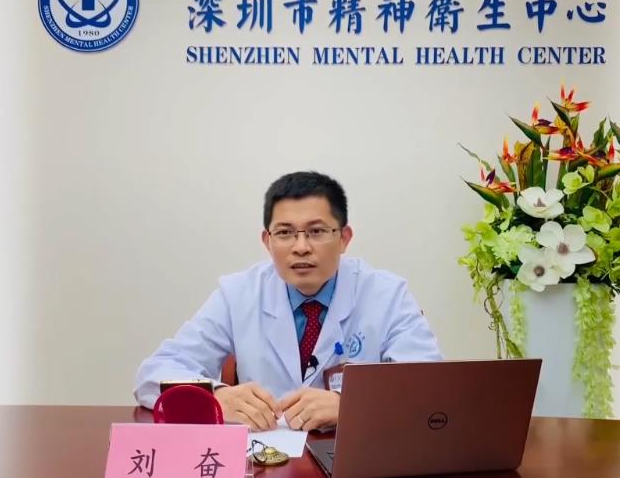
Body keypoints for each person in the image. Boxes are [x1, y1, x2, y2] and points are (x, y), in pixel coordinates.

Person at [134, 171, 442, 431]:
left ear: (344, 238)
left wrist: (351, 405)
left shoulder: (387, 294)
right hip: (266, 459)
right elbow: (153, 374)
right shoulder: (237, 293)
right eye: (285, 233)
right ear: (267, 241)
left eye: (316, 231)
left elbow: (431, 388)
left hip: (356, 453)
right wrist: (213, 397)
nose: (301, 247)